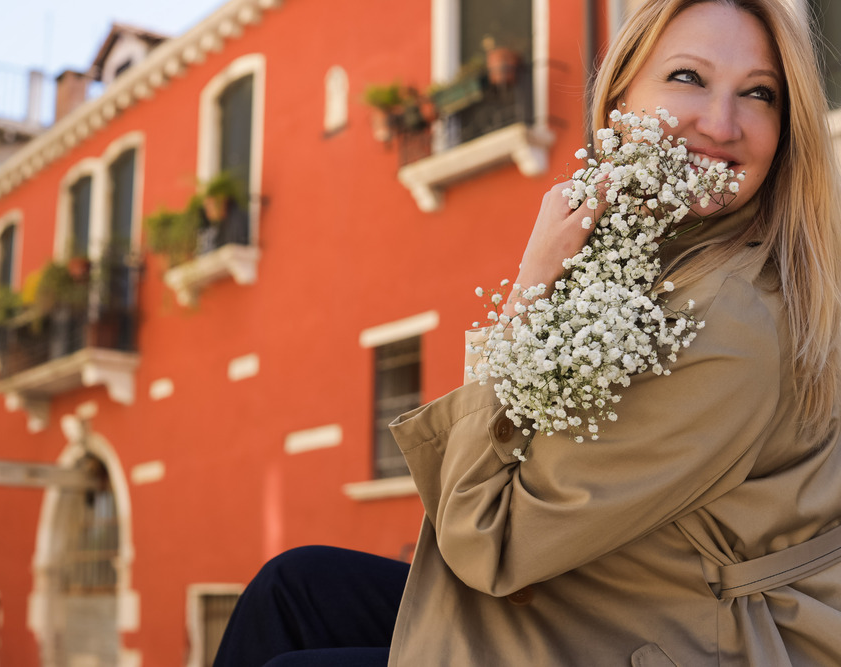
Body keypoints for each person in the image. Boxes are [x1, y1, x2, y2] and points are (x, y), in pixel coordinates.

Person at [214, 0, 841, 664]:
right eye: (689, 78)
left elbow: (494, 539)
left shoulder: (726, 318)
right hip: (617, 593)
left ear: (787, 128)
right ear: (620, 95)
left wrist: (530, 288)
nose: (720, 123)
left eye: (758, 94)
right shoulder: (660, 253)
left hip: (684, 633)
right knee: (293, 591)